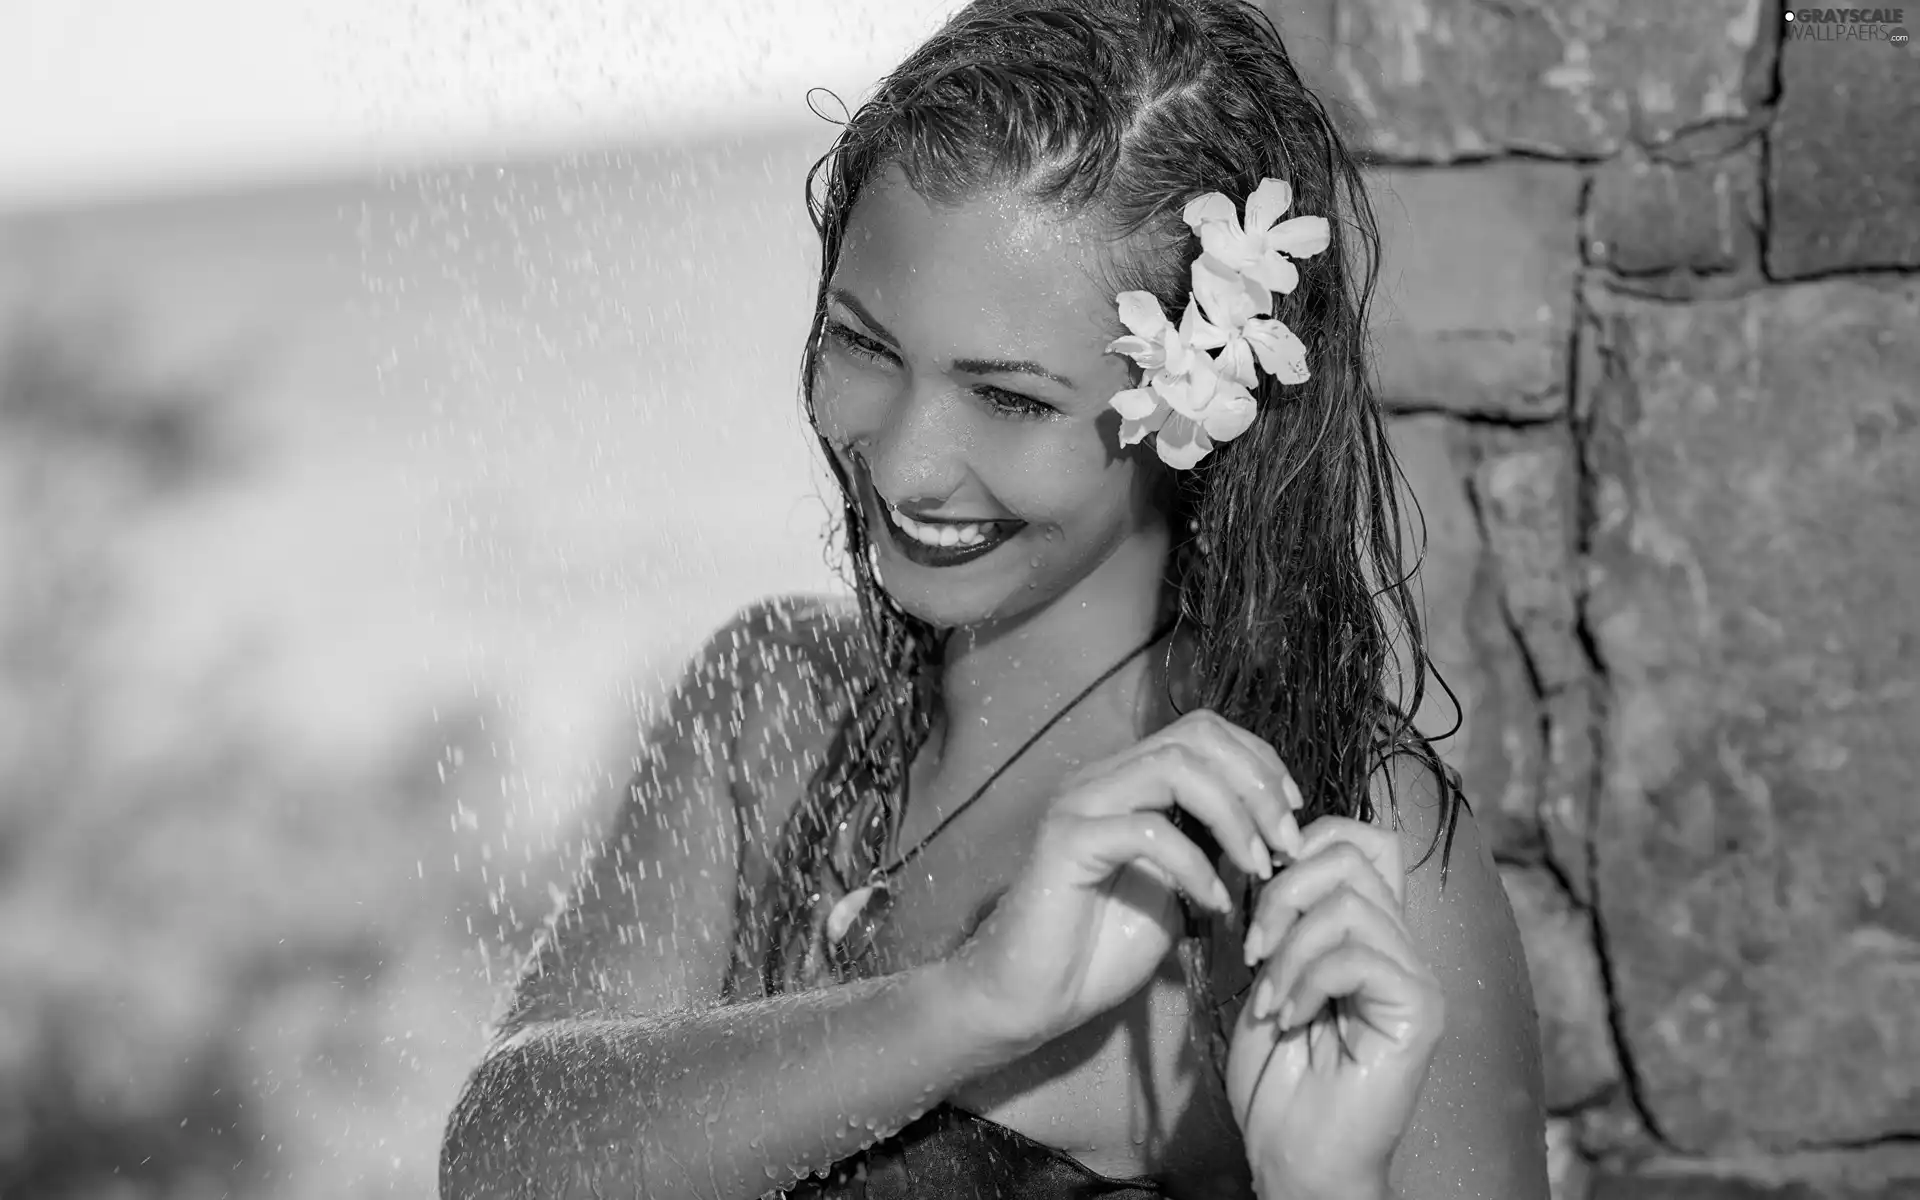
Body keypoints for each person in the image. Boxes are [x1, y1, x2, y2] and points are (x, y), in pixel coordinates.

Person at [439, 1, 1549, 1196]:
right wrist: (974, 1007)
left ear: (1203, 403)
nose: (907, 464)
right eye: (866, 346)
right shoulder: (768, 712)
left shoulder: (1346, 839)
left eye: (1008, 400)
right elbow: (500, 1162)